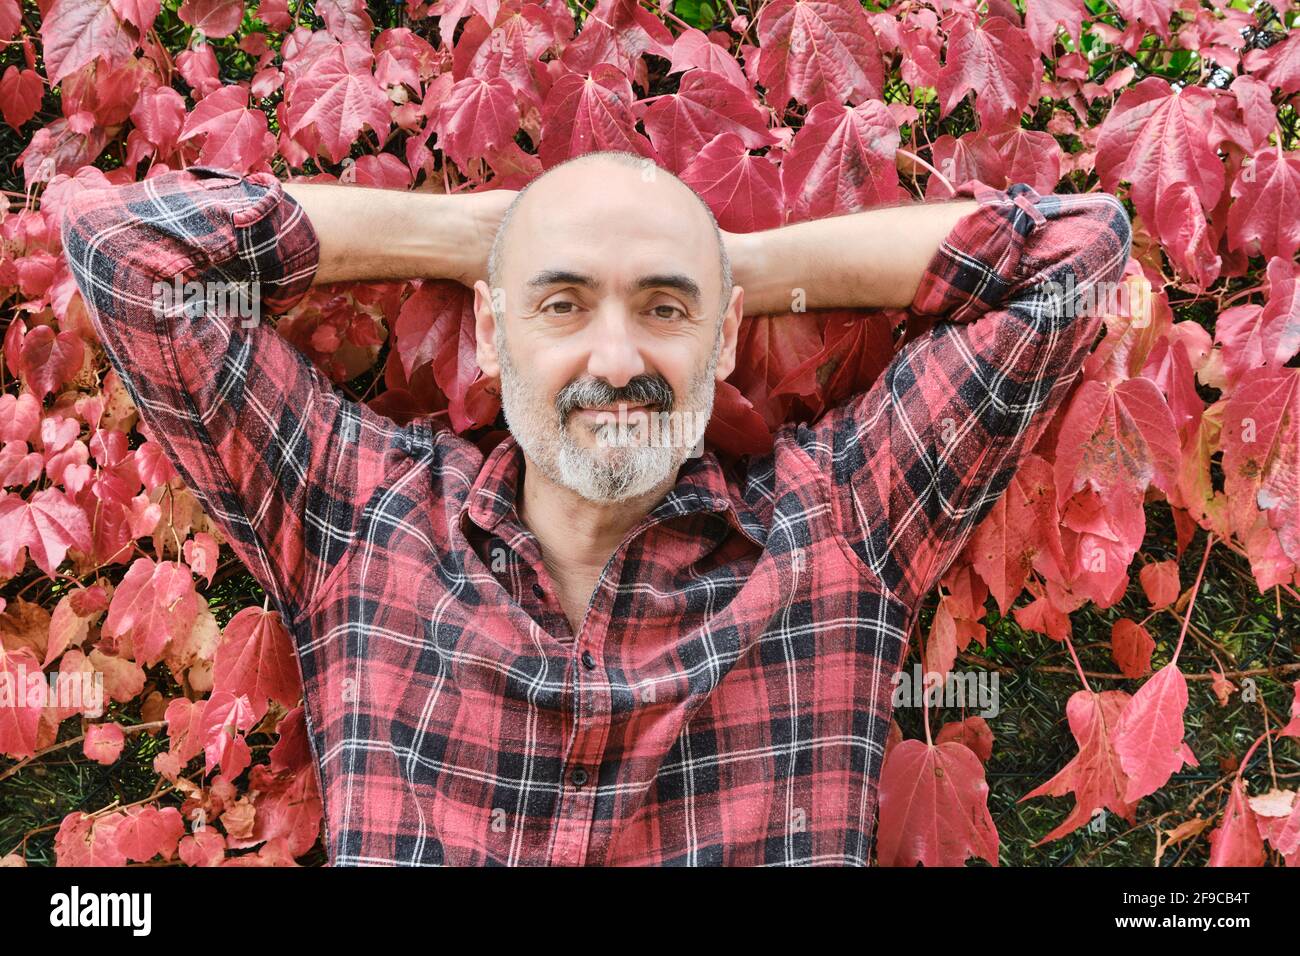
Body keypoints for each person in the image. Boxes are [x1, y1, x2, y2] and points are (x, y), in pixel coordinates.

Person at [61, 150, 1131, 865]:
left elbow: (1074, 259)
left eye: (664, 308)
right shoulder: (359, 518)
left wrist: (738, 261)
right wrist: (453, 236)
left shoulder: (840, 524)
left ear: (722, 339)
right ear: (490, 331)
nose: (615, 360)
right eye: (561, 302)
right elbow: (130, 255)